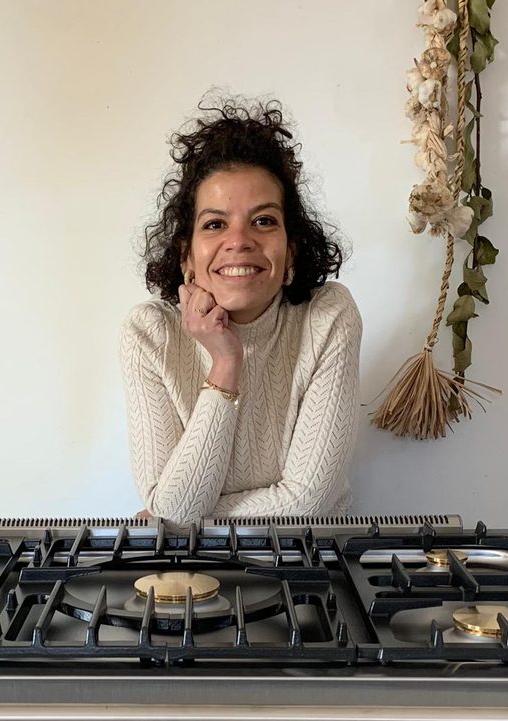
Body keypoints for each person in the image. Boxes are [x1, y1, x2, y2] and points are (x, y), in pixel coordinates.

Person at [120, 98, 362, 524]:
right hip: (188, 571)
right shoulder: (148, 334)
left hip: (307, 566)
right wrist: (226, 362)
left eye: (264, 221)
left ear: (290, 253)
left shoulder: (329, 317)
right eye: (215, 224)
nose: (239, 240)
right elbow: (173, 507)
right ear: (187, 258)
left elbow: (305, 504)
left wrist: (186, 518)